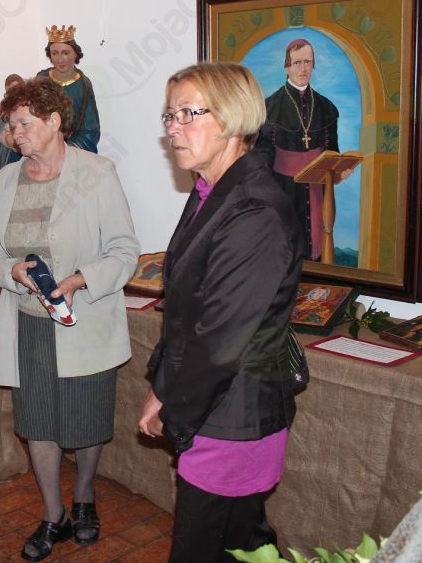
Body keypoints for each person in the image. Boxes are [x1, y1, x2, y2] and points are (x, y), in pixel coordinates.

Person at [137, 63, 304, 563]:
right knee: (243, 543)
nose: (173, 128)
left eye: (188, 113)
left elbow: (219, 338)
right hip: (215, 404)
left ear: (231, 118)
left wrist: (176, 411)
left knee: (210, 549)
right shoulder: (212, 191)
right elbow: (187, 310)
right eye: (169, 115)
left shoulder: (254, 210)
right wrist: (161, 387)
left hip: (234, 412)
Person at [0, 77, 139, 561]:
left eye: (24, 123)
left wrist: (81, 279)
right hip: (27, 324)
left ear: (53, 121)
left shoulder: (98, 173)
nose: (16, 134)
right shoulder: (1, 184)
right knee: (38, 422)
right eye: (12, 125)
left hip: (84, 319)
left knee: (87, 419)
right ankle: (54, 514)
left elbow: (124, 250)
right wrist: (11, 271)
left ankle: (84, 495)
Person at [254, 39, 351, 261]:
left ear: (313, 65)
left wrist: (339, 171)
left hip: (318, 187)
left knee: (316, 245)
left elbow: (332, 150)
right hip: (283, 187)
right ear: (287, 67)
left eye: (308, 62)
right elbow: (263, 153)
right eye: (297, 62)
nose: (303, 68)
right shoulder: (269, 107)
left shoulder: (326, 107)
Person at [37, 25, 100, 152]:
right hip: (43, 143)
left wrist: (67, 149)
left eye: (65, 53)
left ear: (75, 54)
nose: (60, 59)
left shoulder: (83, 85)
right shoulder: (42, 79)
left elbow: (90, 129)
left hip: (71, 147)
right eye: (55, 53)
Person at [0, 72, 24, 177]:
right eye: (10, 90)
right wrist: (3, 103)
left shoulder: (27, 101)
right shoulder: (7, 102)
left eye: (16, 89)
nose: (14, 93)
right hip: (8, 134)